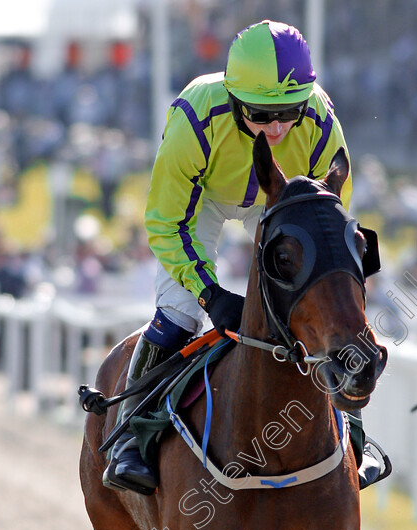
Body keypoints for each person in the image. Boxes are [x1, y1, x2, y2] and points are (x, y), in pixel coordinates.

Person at [103, 20, 387, 495]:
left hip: (285, 198)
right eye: (260, 113)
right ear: (235, 99)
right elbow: (167, 222)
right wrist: (211, 294)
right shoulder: (195, 118)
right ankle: (133, 434)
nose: (276, 127)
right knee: (179, 311)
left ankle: (353, 431)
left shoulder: (319, 122)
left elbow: (334, 223)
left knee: (326, 307)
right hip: (205, 198)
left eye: (289, 112)